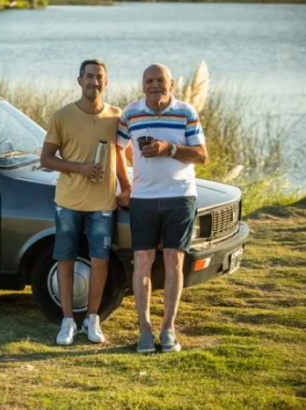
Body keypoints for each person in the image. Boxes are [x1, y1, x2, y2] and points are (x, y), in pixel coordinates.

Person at [116, 64, 208, 353]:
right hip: (142, 198)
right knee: (141, 260)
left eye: (160, 80)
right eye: (149, 81)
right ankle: (144, 330)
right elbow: (117, 148)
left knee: (174, 262)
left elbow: (202, 155)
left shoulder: (186, 112)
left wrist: (169, 148)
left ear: (171, 85)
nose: (154, 85)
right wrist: (126, 185)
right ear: (142, 86)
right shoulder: (130, 113)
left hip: (180, 196)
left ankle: (168, 329)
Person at [40, 59, 132, 346]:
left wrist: (127, 187)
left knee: (99, 261)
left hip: (103, 204)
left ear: (107, 82)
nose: (94, 82)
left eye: (99, 78)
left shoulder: (116, 116)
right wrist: (80, 168)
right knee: (65, 260)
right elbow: (46, 159)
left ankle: (93, 319)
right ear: (79, 80)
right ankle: (67, 320)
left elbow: (119, 157)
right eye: (89, 77)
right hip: (67, 202)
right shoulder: (62, 116)